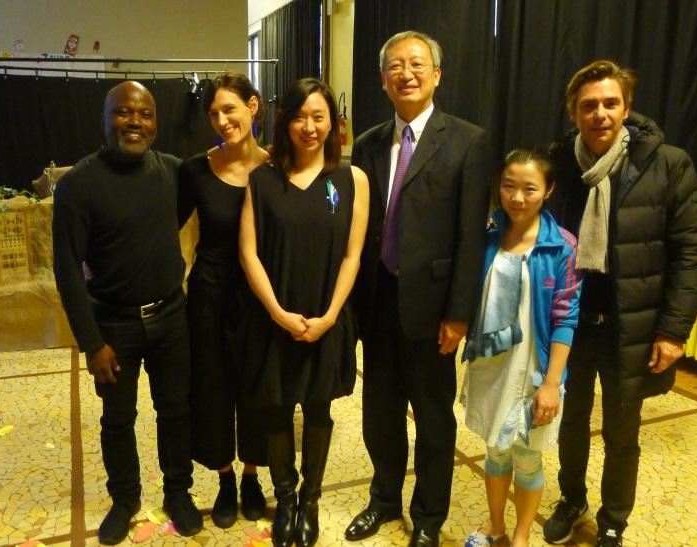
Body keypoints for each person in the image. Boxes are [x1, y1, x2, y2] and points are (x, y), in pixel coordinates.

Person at [542, 60, 697, 547]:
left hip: (629, 326)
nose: (600, 114)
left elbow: (692, 252)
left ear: (627, 107)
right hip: (571, 323)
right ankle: (571, 498)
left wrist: (673, 331)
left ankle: (614, 518)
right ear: (573, 112)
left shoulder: (668, 164)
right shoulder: (558, 163)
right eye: (588, 105)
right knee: (570, 422)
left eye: (610, 103)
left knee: (622, 429)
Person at [346, 30, 493, 547]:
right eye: (395, 66)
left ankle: (429, 516)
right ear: (382, 80)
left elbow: (471, 235)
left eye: (416, 64)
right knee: (379, 412)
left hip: (433, 309)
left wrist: (459, 313)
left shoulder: (468, 141)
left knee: (433, 418)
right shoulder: (366, 144)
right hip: (377, 300)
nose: (405, 73)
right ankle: (383, 498)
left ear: (437, 75)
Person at [53, 81, 202, 545]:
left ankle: (178, 492)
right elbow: (67, 271)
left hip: (171, 317)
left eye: (145, 114)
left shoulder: (173, 172)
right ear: (104, 119)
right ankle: (124, 500)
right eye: (123, 112)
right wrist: (91, 343)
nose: (135, 122)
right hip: (113, 325)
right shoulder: (78, 184)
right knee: (117, 419)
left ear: (156, 122)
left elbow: (176, 216)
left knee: (175, 412)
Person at [235, 77, 369, 547]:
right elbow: (249, 253)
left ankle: (310, 499)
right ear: (284, 122)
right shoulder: (262, 179)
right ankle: (286, 499)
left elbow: (353, 255)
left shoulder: (352, 179)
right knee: (276, 408)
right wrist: (276, 312)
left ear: (333, 123)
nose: (309, 127)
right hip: (274, 317)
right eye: (299, 117)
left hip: (326, 316)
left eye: (318, 117)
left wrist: (331, 316)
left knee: (317, 408)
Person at [460, 149, 581, 547]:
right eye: (508, 186)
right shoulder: (488, 233)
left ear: (548, 190)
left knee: (527, 458)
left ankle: (522, 534)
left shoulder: (561, 246)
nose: (517, 197)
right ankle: (496, 525)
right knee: (496, 451)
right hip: (492, 366)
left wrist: (552, 384)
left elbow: (565, 318)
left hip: (535, 370)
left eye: (529, 188)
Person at [177, 73, 271, 529]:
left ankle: (252, 475)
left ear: (253, 106)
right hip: (210, 293)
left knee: (256, 386)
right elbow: (165, 230)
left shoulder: (276, 169)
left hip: (260, 296)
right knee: (212, 387)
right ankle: (225, 478)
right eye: (214, 114)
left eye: (229, 109)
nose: (221, 120)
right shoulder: (195, 169)